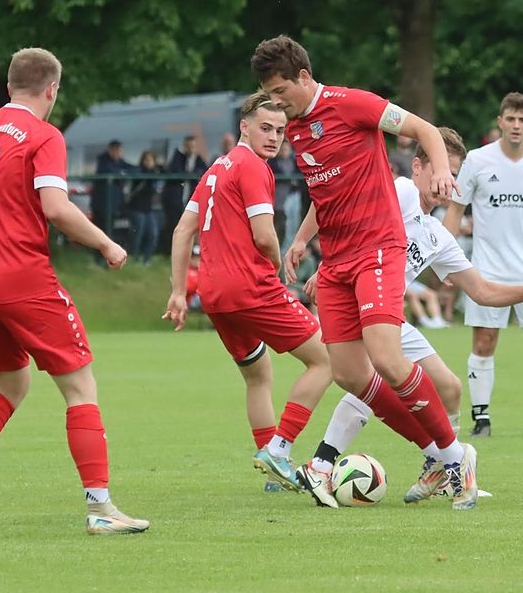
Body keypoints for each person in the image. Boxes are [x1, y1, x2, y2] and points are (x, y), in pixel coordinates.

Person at [0, 47, 148, 536]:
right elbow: (57, 208)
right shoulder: (44, 135)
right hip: (22, 277)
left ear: (8, 88)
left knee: (11, 385)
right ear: (52, 90)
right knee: (81, 387)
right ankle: (100, 508)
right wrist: (108, 244)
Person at [252, 35, 478, 510]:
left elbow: (425, 129)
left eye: (280, 93)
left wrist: (439, 170)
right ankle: (440, 453)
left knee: (388, 358)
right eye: (268, 97)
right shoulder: (294, 127)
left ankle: (457, 460)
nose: (276, 104)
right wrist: (300, 240)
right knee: (352, 375)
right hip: (336, 262)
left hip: (378, 247)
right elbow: (324, 189)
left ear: (304, 78)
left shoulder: (353, 104)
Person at [301, 128, 523, 506]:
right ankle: (329, 463)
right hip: (359, 302)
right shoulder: (402, 192)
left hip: (387, 313)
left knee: (449, 387)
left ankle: (438, 466)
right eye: (442, 171)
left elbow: (483, 291)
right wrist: (328, 267)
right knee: (372, 376)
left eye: (455, 174)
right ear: (418, 166)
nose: (448, 182)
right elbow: (352, 218)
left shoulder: (437, 236)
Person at [163, 92, 332, 493]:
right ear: (244, 126)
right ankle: (280, 448)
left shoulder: (216, 168)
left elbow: (182, 230)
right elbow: (263, 234)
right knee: (327, 361)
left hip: (213, 294)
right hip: (249, 287)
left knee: (258, 376)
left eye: (280, 131)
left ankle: (272, 472)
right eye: (265, 128)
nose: (274, 138)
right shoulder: (253, 167)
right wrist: (277, 267)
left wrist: (176, 292)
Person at [442, 92, 523, 438]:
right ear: (500, 121)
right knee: (484, 342)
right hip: (487, 269)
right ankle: (482, 420)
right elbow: (456, 208)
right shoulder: (477, 160)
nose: (516, 126)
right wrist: (444, 255)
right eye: (510, 119)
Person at [162, 135, 208, 253]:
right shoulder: (178, 158)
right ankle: (171, 251)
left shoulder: (199, 161)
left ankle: (192, 251)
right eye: (188, 145)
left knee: (193, 227)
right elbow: (174, 172)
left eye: (193, 145)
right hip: (177, 200)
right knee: (176, 225)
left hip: (192, 200)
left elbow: (203, 174)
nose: (191, 148)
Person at [90, 140, 130, 263]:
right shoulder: (103, 160)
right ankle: (98, 258)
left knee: (110, 231)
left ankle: (108, 256)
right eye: (115, 149)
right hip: (101, 205)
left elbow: (132, 168)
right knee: (100, 230)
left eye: (119, 149)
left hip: (113, 206)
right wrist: (121, 173)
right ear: (110, 149)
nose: (117, 152)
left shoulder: (120, 162)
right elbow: (108, 171)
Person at [126, 150, 161, 265]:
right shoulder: (139, 171)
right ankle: (133, 258)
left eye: (150, 160)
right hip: (137, 208)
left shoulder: (155, 173)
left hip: (148, 209)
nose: (148, 162)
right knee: (138, 234)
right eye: (146, 160)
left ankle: (147, 259)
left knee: (152, 233)